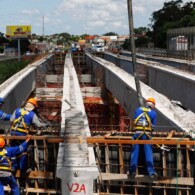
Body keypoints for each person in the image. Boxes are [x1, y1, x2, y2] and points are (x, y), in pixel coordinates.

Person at [9, 98, 46, 173]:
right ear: (33, 106)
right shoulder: (32, 114)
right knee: (23, 151)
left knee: (13, 149)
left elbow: (11, 120)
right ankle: (23, 169)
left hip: (13, 134)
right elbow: (38, 125)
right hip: (22, 135)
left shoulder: (17, 110)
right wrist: (44, 125)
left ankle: (13, 167)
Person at [128, 97, 157, 177]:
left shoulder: (138, 110)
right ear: (153, 105)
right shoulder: (153, 113)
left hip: (137, 134)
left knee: (134, 152)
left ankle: (132, 172)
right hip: (146, 135)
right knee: (148, 152)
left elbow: (134, 121)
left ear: (146, 103)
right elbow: (153, 127)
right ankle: (151, 172)